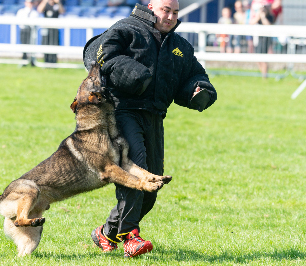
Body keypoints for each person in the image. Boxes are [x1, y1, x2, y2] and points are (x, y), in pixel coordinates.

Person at [83, 0, 217, 258]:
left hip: (155, 116)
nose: (170, 16)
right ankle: (130, 236)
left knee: (153, 183)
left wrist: (199, 90)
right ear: (151, 6)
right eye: (166, 10)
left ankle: (106, 232)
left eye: (175, 12)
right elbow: (100, 54)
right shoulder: (127, 29)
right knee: (138, 172)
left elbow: (194, 74)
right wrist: (132, 74)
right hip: (122, 111)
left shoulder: (180, 46)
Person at [250, 3, 275, 78]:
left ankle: (265, 76)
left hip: (265, 39)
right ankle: (263, 74)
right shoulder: (258, 16)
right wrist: (258, 15)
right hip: (258, 39)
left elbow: (268, 26)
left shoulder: (270, 16)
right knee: (257, 58)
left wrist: (263, 17)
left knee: (263, 58)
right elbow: (251, 23)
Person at [17, 0, 40, 66]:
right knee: (24, 47)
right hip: (24, 30)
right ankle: (24, 61)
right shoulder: (21, 12)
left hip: (32, 31)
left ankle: (32, 61)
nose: (30, 4)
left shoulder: (35, 13)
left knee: (32, 47)